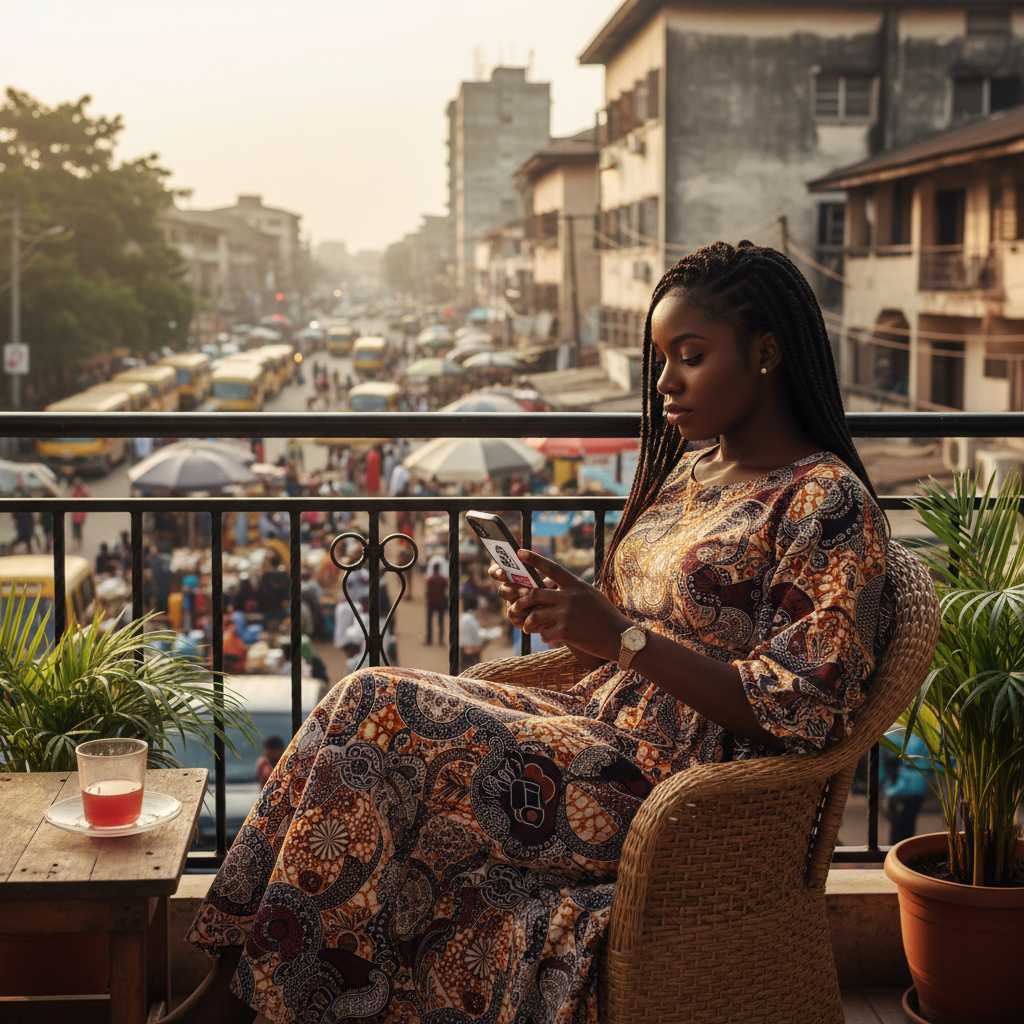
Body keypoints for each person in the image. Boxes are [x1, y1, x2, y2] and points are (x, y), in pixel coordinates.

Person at [172, 241, 893, 1024]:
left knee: (381, 708)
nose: (664, 384)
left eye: (690, 356)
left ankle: (241, 1008)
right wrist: (577, 622)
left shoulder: (826, 504)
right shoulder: (694, 475)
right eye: (659, 359)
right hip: (596, 730)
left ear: (766, 353)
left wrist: (620, 637)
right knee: (356, 700)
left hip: (679, 789)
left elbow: (803, 711)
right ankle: (230, 988)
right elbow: (633, 640)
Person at [424, 560, 447, 645]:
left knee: (429, 622)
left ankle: (429, 640)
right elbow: (445, 590)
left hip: (431, 602)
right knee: (441, 622)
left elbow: (427, 592)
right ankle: (440, 640)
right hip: (441, 602)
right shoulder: (443, 580)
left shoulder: (430, 579)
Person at [70, 478, 88, 549]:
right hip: (76, 515)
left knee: (78, 529)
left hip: (79, 515)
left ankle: (78, 541)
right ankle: (76, 540)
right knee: (76, 529)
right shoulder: (77, 490)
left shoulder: (82, 491)